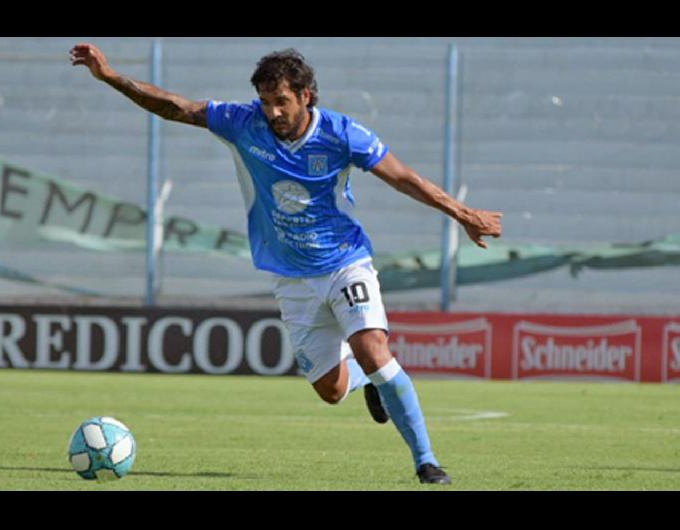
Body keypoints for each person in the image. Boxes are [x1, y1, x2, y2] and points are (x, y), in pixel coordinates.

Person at [70, 42, 502, 485]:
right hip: (291, 277)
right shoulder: (244, 124)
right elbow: (174, 106)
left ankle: (426, 462)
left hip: (345, 261)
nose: (273, 112)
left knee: (374, 350)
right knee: (331, 391)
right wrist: (111, 77)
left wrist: (464, 215)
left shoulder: (341, 134)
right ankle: (367, 382)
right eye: (266, 102)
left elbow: (405, 179)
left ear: (306, 96)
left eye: (282, 102)